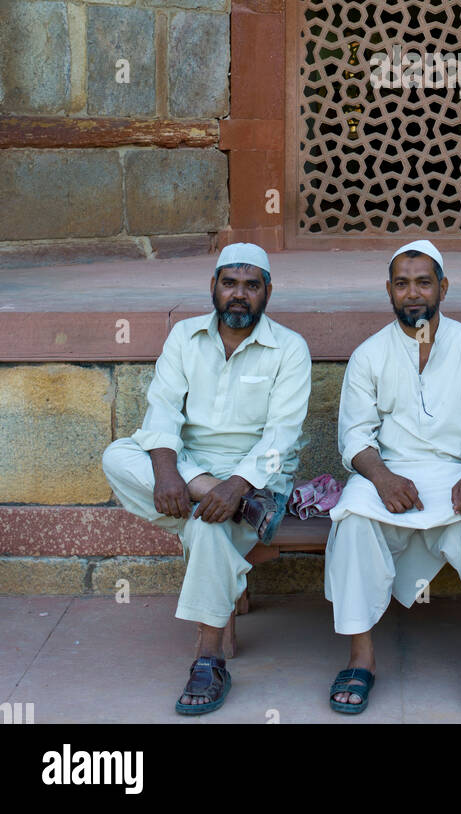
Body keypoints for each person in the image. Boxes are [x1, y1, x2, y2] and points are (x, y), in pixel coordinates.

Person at [102, 242, 311, 716]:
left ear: (268, 292)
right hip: (192, 466)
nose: (239, 294)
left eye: (251, 285)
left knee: (206, 525)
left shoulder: (290, 348)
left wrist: (236, 488)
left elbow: (281, 437)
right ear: (213, 287)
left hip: (258, 478)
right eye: (230, 283)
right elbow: (161, 412)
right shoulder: (183, 337)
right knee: (117, 453)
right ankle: (232, 510)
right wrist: (169, 472)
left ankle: (209, 657)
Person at [324, 240, 461, 715]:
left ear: (443, 288)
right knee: (350, 522)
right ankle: (361, 658)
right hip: (389, 477)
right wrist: (383, 479)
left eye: (423, 283)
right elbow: (354, 435)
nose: (413, 294)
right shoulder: (369, 354)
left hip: (458, 476)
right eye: (403, 283)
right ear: (388, 290)